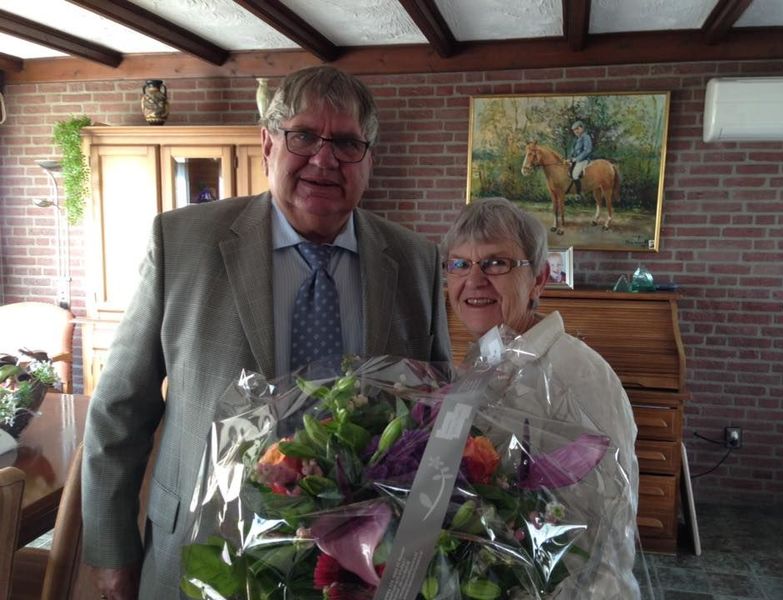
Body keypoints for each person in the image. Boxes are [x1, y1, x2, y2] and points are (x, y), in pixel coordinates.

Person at [81, 65, 452, 600]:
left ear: (368, 159)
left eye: (347, 143)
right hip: (204, 549)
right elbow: (120, 410)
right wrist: (112, 551)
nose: (324, 159)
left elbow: (438, 421)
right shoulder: (181, 243)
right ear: (267, 144)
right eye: (303, 136)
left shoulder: (416, 261)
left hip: (364, 566)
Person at [441, 197, 640, 598]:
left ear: (539, 278)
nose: (474, 279)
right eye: (460, 263)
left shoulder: (576, 372)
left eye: (496, 263)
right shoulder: (483, 359)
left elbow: (604, 533)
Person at [567, 119, 592, 195]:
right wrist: (570, 159)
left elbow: (587, 150)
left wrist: (577, 159)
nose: (576, 131)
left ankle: (579, 194)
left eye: (577, 129)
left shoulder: (586, 137)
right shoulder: (577, 139)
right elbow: (573, 151)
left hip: (583, 160)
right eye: (574, 130)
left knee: (575, 174)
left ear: (582, 128)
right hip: (575, 160)